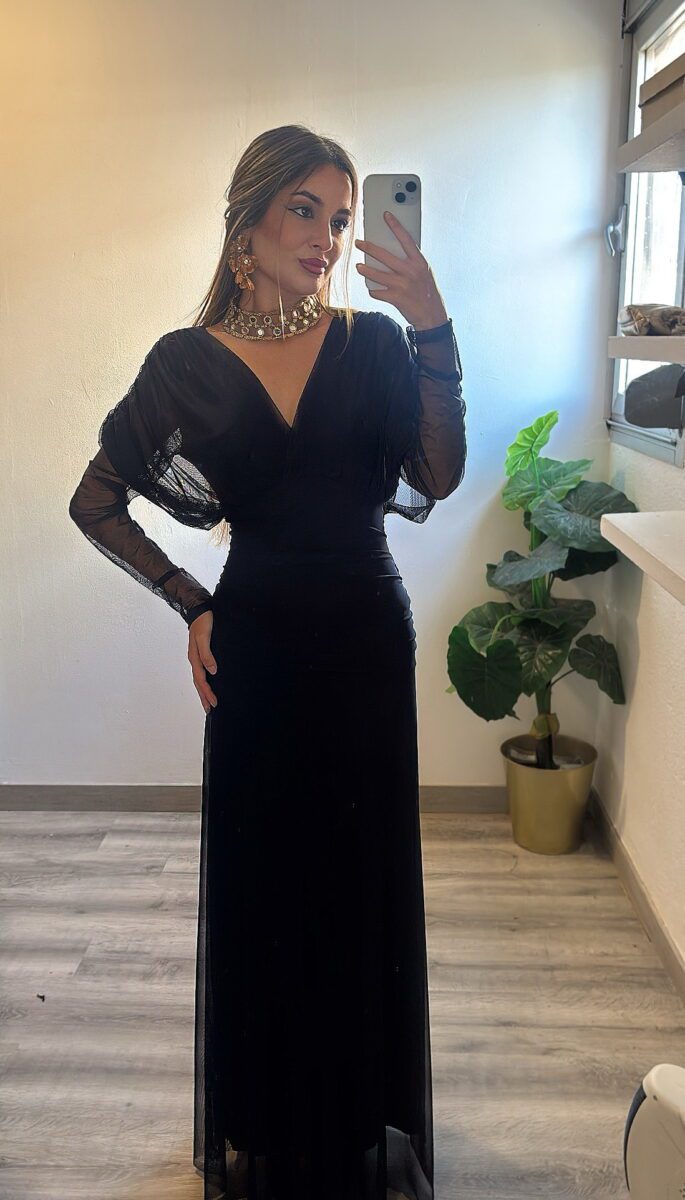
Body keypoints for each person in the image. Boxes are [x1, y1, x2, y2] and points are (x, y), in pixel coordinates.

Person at [69, 124, 467, 1200]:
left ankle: (352, 1109)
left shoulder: (376, 344)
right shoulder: (183, 365)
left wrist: (432, 326)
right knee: (268, 885)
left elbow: (436, 473)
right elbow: (95, 501)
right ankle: (272, 1112)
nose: (327, 237)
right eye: (305, 210)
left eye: (339, 218)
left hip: (366, 644)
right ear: (245, 223)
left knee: (356, 881)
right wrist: (189, 599)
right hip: (257, 653)